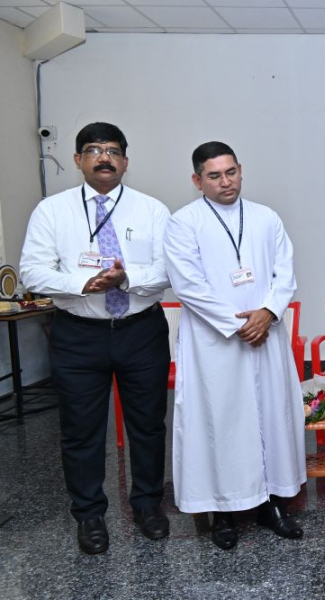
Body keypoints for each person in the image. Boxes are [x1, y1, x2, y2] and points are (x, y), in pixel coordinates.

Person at [20, 122, 172, 555]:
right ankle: (89, 515)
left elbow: (169, 269)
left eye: (112, 151)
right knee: (80, 429)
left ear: (125, 160)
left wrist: (127, 279)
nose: (104, 158)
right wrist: (82, 283)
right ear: (77, 160)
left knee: (148, 425)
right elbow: (32, 271)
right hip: (78, 334)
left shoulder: (152, 210)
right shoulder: (52, 210)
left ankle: (147, 505)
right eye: (93, 150)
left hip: (141, 331)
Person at [164, 142, 307, 550]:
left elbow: (285, 273)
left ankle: (272, 503)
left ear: (241, 170)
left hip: (267, 334)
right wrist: (238, 324)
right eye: (214, 176)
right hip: (215, 341)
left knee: (271, 416)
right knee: (221, 420)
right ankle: (223, 511)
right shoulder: (183, 223)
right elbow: (188, 285)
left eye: (231, 172)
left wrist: (268, 312)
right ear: (197, 180)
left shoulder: (266, 217)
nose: (225, 182)